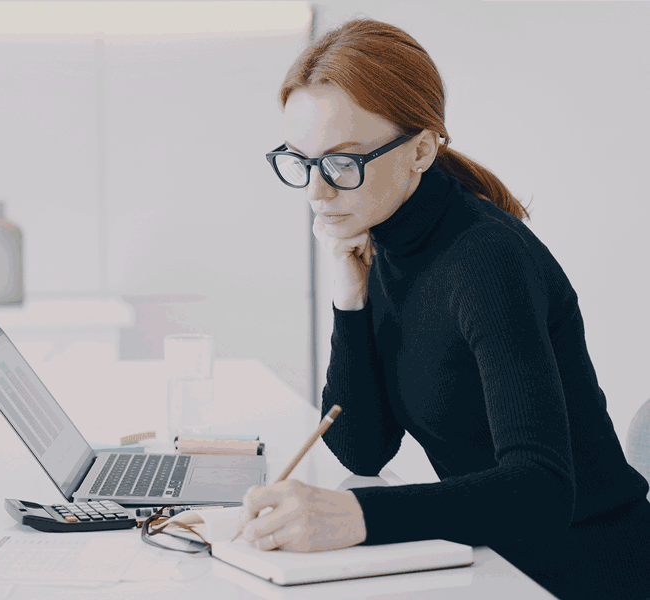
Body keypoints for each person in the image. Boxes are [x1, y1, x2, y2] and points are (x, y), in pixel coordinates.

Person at [238, 17, 650, 600]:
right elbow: (362, 446)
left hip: (587, 571)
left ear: (422, 149)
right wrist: (348, 295)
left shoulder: (486, 260)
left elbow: (541, 490)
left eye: (341, 163)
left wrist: (355, 515)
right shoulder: (379, 236)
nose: (316, 191)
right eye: (300, 162)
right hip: (494, 561)